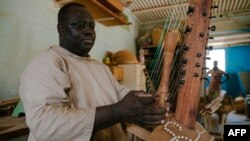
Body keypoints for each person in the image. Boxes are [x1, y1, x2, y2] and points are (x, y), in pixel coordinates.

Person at [19, 2, 167, 141]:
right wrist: (117, 112)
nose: (89, 31)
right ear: (60, 29)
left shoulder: (100, 67)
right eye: (78, 25)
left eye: (91, 26)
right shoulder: (46, 63)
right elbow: (45, 124)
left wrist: (149, 101)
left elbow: (120, 94)